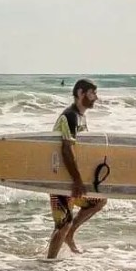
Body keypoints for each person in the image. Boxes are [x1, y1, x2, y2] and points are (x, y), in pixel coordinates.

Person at [46, 78, 106, 259]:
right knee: (62, 224)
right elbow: (66, 149)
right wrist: (78, 181)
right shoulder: (70, 116)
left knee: (98, 201)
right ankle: (48, 265)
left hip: (70, 178)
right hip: (60, 178)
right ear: (80, 93)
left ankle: (70, 234)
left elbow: (80, 150)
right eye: (92, 93)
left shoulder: (81, 117)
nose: (96, 97)